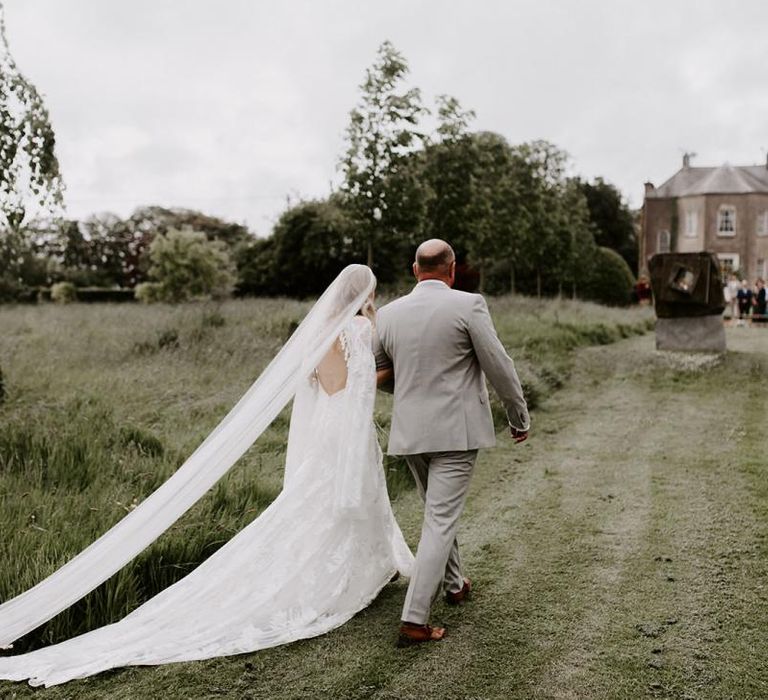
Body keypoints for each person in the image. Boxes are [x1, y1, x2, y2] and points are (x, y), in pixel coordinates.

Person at [0, 265, 413, 687]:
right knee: (342, 495)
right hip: (345, 428)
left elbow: (326, 385)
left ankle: (371, 565)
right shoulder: (360, 327)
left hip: (331, 426)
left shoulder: (323, 328)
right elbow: (348, 384)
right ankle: (354, 574)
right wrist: (391, 369)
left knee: (322, 499)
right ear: (363, 294)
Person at [373, 239, 530, 646]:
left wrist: (411, 396)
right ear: (452, 268)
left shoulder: (387, 315)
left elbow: (380, 374)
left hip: (410, 432)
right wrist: (518, 414)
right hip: (454, 434)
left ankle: (456, 584)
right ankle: (414, 619)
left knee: (437, 512)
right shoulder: (468, 305)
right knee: (440, 519)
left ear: (414, 269)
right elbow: (498, 364)